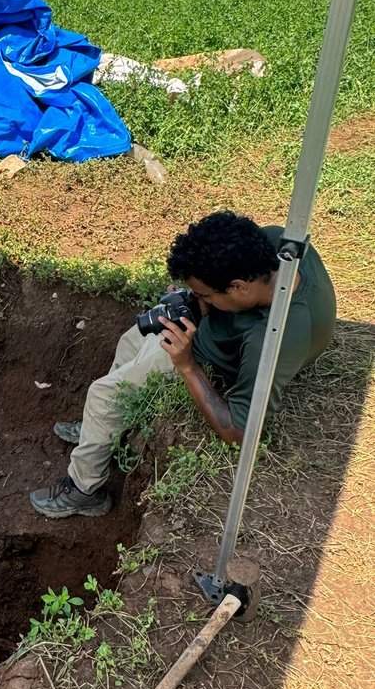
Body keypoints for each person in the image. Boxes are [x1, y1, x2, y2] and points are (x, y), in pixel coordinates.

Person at [29, 210, 337, 518]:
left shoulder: (273, 339)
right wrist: (197, 300)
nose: (200, 298)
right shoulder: (272, 242)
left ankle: (84, 491)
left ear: (239, 286)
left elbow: (240, 433)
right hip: (213, 332)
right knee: (133, 338)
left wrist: (186, 365)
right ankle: (104, 429)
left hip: (207, 357)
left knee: (103, 394)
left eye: (206, 294)